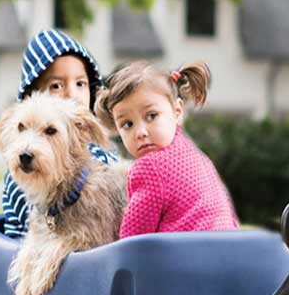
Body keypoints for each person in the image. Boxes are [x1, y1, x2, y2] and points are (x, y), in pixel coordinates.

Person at [94, 61, 239, 237]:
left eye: (151, 116)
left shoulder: (149, 168)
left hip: (185, 259)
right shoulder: (198, 158)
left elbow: (133, 240)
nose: (140, 132)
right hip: (228, 250)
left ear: (177, 111)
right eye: (127, 124)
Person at [0, 28, 117, 238]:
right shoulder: (21, 176)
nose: (72, 93)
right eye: (57, 85)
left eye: (81, 83)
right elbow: (18, 236)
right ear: (31, 95)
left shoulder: (105, 158)